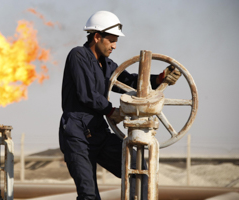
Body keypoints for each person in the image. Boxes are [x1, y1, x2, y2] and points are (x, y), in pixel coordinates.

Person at [59, 11, 181, 200]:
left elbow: (130, 82)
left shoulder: (106, 65)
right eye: (111, 41)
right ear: (97, 37)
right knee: (89, 195)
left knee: (138, 170)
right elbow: (87, 93)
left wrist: (159, 78)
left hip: (98, 130)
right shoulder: (78, 55)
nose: (115, 46)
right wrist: (111, 111)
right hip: (77, 134)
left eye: (116, 41)